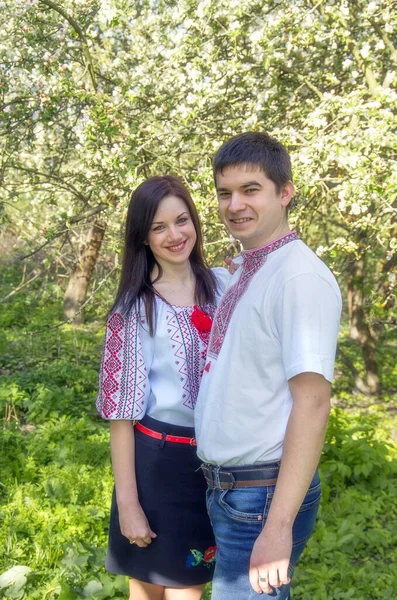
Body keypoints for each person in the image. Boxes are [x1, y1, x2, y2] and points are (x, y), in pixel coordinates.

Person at [194, 132, 342, 600]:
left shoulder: (298, 278)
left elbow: (314, 404)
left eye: (251, 189)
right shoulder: (252, 266)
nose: (234, 204)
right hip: (230, 493)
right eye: (224, 192)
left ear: (285, 192)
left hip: (261, 499)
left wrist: (277, 527)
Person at [96, 176, 229, 600]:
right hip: (156, 465)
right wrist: (129, 505)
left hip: (215, 462)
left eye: (182, 220)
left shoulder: (225, 287)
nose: (175, 235)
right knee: (148, 587)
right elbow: (122, 416)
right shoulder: (134, 308)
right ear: (143, 237)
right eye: (159, 227)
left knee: (188, 586)